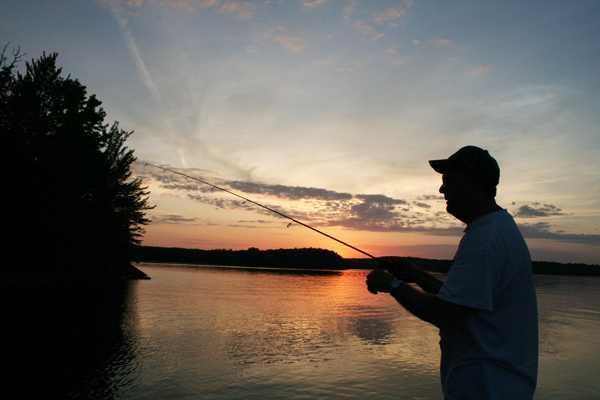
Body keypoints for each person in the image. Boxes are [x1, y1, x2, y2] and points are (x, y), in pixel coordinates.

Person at [366, 146, 538, 400]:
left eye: (448, 182)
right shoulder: (495, 229)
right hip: (498, 384)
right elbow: (462, 302)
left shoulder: (486, 241)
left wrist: (392, 285)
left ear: (471, 184)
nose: (441, 190)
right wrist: (415, 274)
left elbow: (444, 313)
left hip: (487, 387)